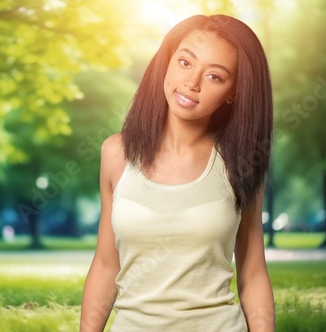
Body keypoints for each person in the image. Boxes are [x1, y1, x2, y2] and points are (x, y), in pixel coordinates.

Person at [80, 14, 275, 332]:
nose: (192, 83)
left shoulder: (241, 162)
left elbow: (252, 273)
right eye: (185, 63)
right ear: (167, 61)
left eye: (215, 76)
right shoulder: (116, 153)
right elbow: (105, 264)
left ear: (233, 92)